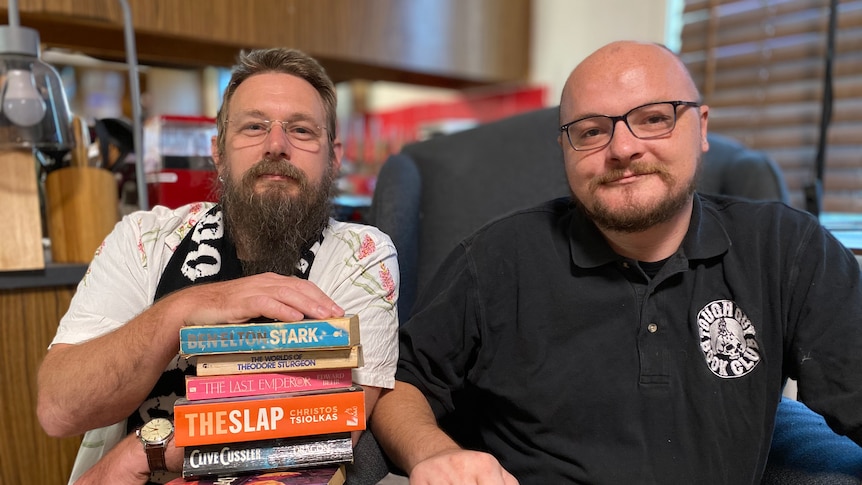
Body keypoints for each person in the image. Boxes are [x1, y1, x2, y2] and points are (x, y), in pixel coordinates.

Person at [370, 40, 862, 484]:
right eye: (591, 131)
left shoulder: (787, 248)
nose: (623, 148)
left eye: (653, 117)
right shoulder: (495, 259)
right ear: (564, 150)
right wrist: (432, 453)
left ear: (702, 127)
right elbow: (401, 383)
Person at [36, 48, 399, 485]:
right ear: (219, 153)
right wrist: (182, 310)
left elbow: (320, 437)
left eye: (302, 130)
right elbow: (60, 408)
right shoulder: (144, 240)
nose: (276, 146)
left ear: (334, 157)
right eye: (254, 126)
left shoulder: (362, 256)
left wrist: (145, 451)